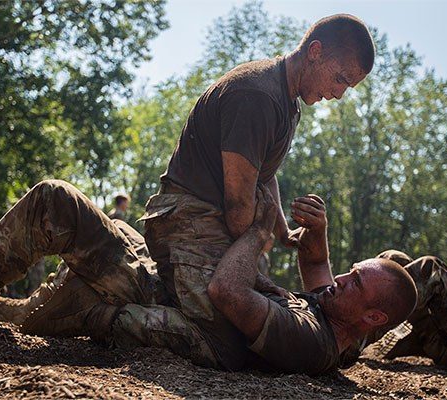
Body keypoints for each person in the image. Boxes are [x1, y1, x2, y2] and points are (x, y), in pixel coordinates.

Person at [0, 180, 415, 375]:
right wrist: (315, 234)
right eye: (352, 271)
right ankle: (17, 305)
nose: (342, 278)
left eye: (357, 282)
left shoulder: (309, 340)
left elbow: (226, 291)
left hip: (146, 296)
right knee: (124, 227)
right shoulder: (346, 326)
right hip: (162, 281)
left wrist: (261, 234)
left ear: (371, 318)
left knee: (55, 203)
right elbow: (320, 275)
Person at [140, 13, 375, 370]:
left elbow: (263, 175)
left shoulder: (287, 102)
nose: (339, 94)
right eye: (340, 79)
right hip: (187, 219)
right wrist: (261, 232)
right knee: (229, 338)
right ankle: (104, 304)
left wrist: (283, 233)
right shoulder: (258, 96)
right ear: (315, 52)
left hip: (213, 224)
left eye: (348, 87)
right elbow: (238, 210)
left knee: (254, 308)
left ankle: (162, 285)